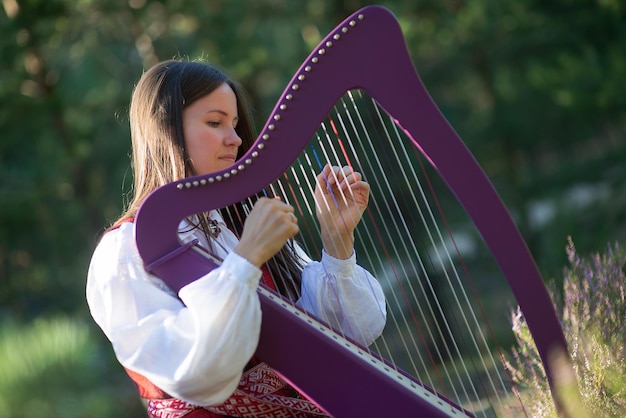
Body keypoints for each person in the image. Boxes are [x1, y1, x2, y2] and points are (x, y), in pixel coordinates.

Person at [86, 59, 387, 418]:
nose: (236, 138)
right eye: (215, 123)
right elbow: (192, 372)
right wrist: (245, 260)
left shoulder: (242, 221)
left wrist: (337, 241)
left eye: (234, 124)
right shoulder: (123, 251)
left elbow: (348, 332)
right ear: (166, 131)